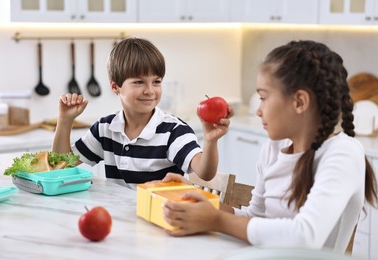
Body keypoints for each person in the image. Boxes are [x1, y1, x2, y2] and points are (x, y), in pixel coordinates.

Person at [161, 40, 378, 253]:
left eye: (264, 98)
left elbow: (306, 236)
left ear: (299, 102)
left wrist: (216, 220)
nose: (258, 110)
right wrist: (194, 195)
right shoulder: (274, 147)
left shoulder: (343, 153)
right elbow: (254, 220)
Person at [52, 37, 232, 189]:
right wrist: (65, 120)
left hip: (161, 219)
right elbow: (61, 165)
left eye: (156, 82)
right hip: (120, 219)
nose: (150, 91)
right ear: (115, 86)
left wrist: (210, 140)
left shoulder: (173, 131)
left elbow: (205, 173)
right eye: (139, 82)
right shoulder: (105, 129)